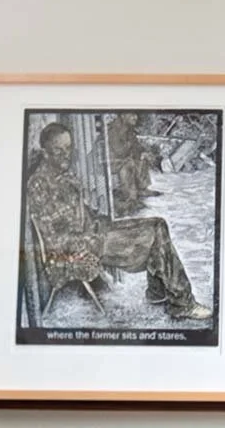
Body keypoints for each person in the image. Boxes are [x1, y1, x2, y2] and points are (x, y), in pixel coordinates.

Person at [27, 122, 210, 319]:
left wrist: (102, 221)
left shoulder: (64, 176)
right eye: (58, 150)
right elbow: (56, 239)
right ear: (45, 153)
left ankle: (158, 292)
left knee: (158, 223)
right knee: (154, 232)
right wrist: (97, 237)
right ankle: (182, 302)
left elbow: (83, 213)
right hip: (82, 246)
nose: (66, 154)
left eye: (69, 148)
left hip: (95, 232)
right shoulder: (39, 186)